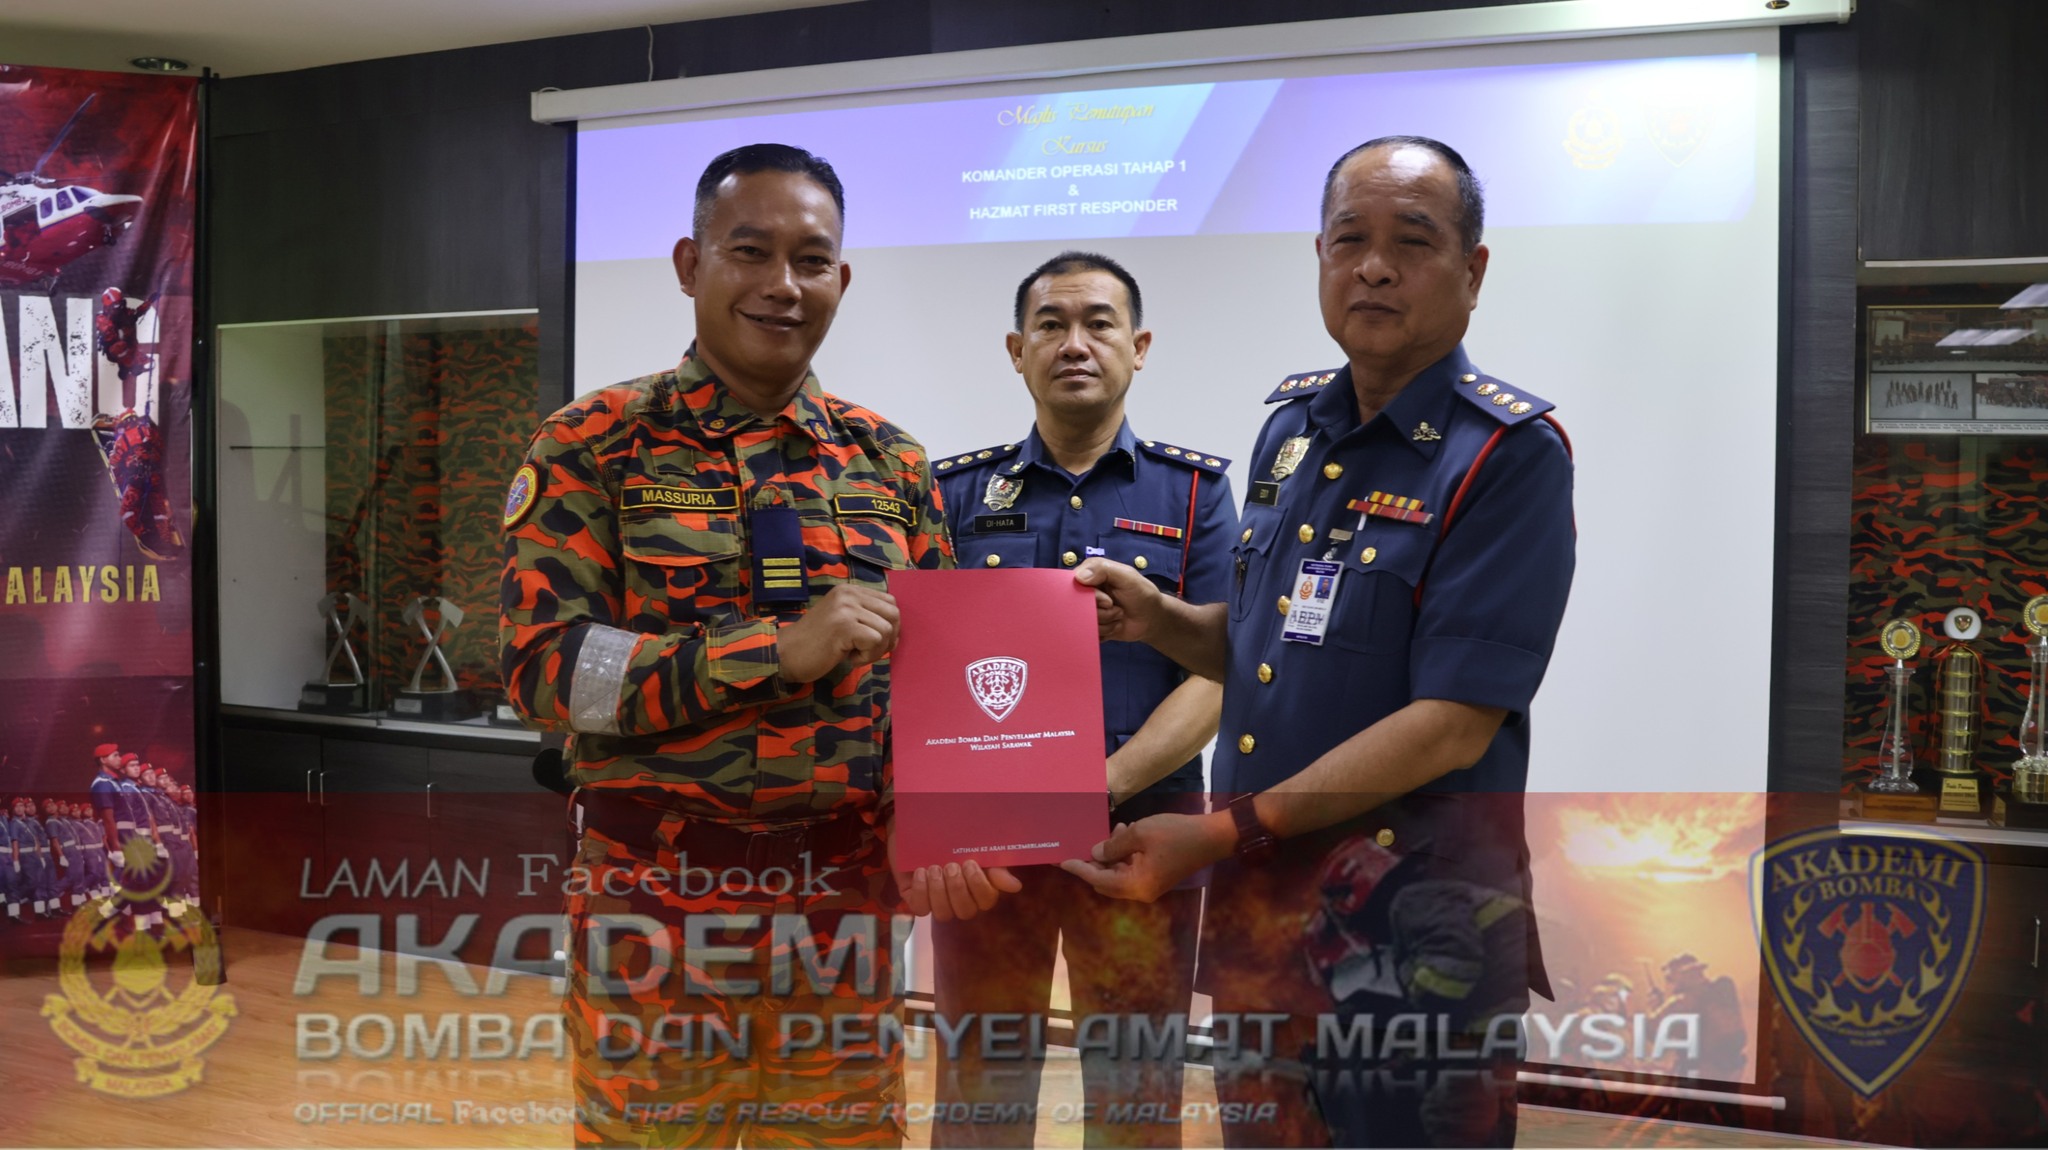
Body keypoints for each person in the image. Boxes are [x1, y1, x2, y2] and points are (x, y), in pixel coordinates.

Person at [1064, 136, 1576, 1148]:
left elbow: (1453, 723)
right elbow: (1269, 649)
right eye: (1349, 240)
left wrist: (1218, 833)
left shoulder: (1507, 456)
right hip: (1268, 929)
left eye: (1411, 242)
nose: (1373, 267)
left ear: (1472, 270)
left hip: (1411, 946)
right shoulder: (1292, 431)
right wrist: (1156, 618)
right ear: (1319, 257)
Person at [500, 142, 1013, 1149]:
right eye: (751, 252)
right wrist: (771, 651)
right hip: (655, 911)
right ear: (690, 263)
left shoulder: (892, 463)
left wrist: (934, 817)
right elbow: (545, 673)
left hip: (843, 919)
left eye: (811, 260)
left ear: (841, 281)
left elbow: (937, 688)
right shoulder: (592, 442)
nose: (783, 284)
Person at [929, 251, 1236, 1148]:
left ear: (1139, 347)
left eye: (1099, 324)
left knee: (1136, 1095)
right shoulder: (952, 493)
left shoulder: (1196, 494)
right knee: (980, 1091)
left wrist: (1098, 786)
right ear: (1016, 350)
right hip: (985, 838)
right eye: (1052, 325)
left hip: (1145, 831)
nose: (1075, 343)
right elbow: (932, 672)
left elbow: (1221, 669)